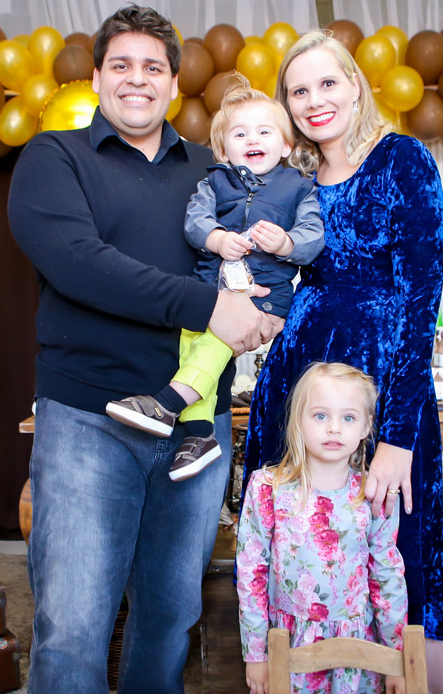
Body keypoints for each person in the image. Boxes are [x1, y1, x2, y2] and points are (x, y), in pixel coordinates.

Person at [7, 4, 280, 694]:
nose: (137, 79)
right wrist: (207, 307)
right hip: (88, 421)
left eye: (153, 67)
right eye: (121, 65)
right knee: (73, 628)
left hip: (196, 427)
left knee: (169, 620)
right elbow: (78, 263)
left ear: (174, 84)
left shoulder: (216, 170)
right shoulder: (54, 157)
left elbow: (273, 250)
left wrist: (269, 305)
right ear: (97, 77)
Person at [242, 30, 443, 694]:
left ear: (356, 85)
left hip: (381, 396)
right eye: (298, 91)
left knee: (405, 555)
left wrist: (396, 437)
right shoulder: (291, 180)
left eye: (327, 83)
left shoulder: (402, 160)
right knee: (298, 558)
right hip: (296, 392)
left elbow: (421, 304)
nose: (315, 101)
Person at [107, 78, 324, 481]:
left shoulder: (297, 188)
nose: (252, 139)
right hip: (213, 289)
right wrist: (218, 239)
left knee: (215, 343)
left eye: (264, 132)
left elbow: (313, 238)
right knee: (191, 343)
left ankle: (167, 404)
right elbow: (195, 222)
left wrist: (286, 243)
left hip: (265, 298)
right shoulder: (213, 183)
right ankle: (199, 434)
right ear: (223, 150)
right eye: (240, 134)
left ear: (286, 145)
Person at [236, 362, 408, 694]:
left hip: (359, 652)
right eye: (320, 415)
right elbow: (250, 575)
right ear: (298, 420)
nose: (334, 428)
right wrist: (256, 655)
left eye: (348, 417)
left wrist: (395, 658)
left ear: (366, 426)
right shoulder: (267, 489)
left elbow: (388, 577)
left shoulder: (373, 494)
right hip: (290, 649)